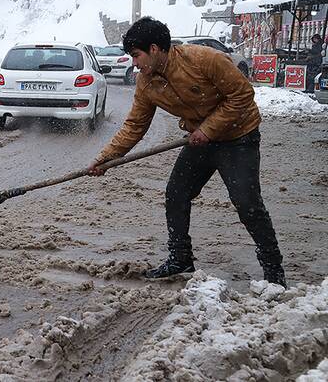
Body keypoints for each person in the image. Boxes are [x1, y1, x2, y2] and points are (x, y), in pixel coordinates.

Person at [87, 17, 286, 287]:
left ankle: (273, 269)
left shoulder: (205, 60)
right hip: (199, 142)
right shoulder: (146, 82)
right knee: (176, 193)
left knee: (247, 203)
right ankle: (181, 258)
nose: (135, 63)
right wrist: (106, 159)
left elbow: (242, 96)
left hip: (238, 138)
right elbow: (135, 125)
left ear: (155, 49)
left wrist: (208, 130)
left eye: (136, 55)